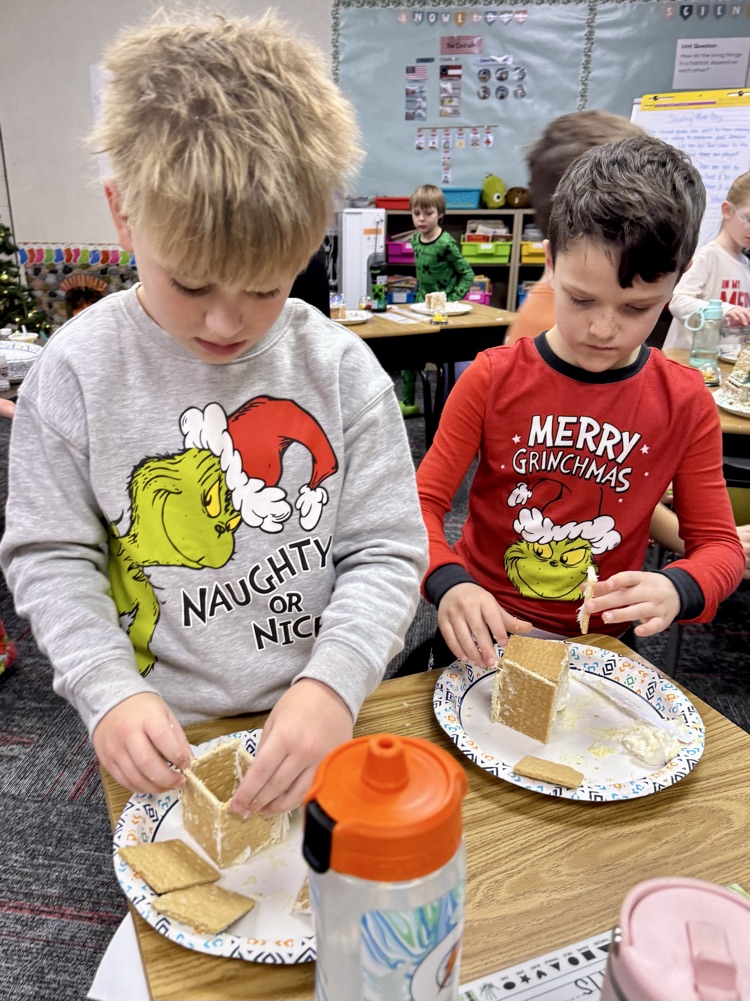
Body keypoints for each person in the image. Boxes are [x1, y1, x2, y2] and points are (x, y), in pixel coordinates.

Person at [0, 10, 427, 817]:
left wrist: (334, 683)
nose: (226, 324)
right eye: (191, 284)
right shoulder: (77, 373)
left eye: (266, 288)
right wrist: (106, 690)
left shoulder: (340, 371)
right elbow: (51, 555)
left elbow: (386, 550)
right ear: (123, 213)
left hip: (321, 714)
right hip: (165, 734)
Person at [416, 135, 745, 670]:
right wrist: (449, 583)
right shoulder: (493, 377)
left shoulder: (683, 400)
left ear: (676, 284)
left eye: (639, 308)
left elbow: (719, 546)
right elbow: (420, 507)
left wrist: (677, 588)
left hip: (601, 649)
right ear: (550, 262)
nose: (603, 328)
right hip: (484, 632)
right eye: (580, 298)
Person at [505, 109, 687, 561]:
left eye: (636, 307)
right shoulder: (534, 339)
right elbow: (567, 493)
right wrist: (693, 537)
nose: (605, 328)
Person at [399, 184, 475, 417]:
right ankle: (408, 402)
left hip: (445, 312)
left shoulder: (446, 243)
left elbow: (467, 274)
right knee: (408, 355)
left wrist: (451, 301)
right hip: (422, 307)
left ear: (440, 213)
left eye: (428, 213)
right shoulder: (415, 241)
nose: (421, 219)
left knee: (445, 363)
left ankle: (449, 407)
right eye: (416, 213)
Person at [663, 171, 750, 349]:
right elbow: (678, 302)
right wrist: (726, 310)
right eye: (748, 218)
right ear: (727, 211)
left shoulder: (745, 265)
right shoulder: (708, 256)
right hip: (686, 361)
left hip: (719, 366)